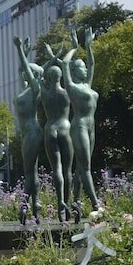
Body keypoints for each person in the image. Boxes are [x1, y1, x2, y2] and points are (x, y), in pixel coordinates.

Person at [56, 28, 101, 221]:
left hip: (91, 127)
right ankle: (96, 204)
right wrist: (75, 48)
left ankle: (75, 205)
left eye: (84, 67)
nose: (85, 69)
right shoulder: (72, 87)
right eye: (81, 67)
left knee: (80, 169)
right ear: (75, 72)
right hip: (80, 126)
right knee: (85, 168)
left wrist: (88, 46)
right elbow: (65, 63)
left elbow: (92, 63)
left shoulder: (87, 86)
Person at [13, 36, 44, 224]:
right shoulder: (24, 90)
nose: (24, 74)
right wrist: (25, 51)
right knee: (31, 172)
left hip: (33, 131)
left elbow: (24, 69)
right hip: (26, 134)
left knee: (30, 173)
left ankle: (26, 204)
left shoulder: (35, 89)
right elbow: (20, 70)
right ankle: (35, 206)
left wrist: (19, 50)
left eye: (29, 72)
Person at [42, 44, 75, 222]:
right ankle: (67, 204)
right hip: (65, 127)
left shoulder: (44, 92)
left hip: (50, 129)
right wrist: (61, 56)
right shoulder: (67, 91)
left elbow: (40, 72)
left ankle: (60, 200)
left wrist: (51, 57)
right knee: (68, 170)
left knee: (57, 169)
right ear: (61, 76)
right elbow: (66, 66)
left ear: (48, 77)